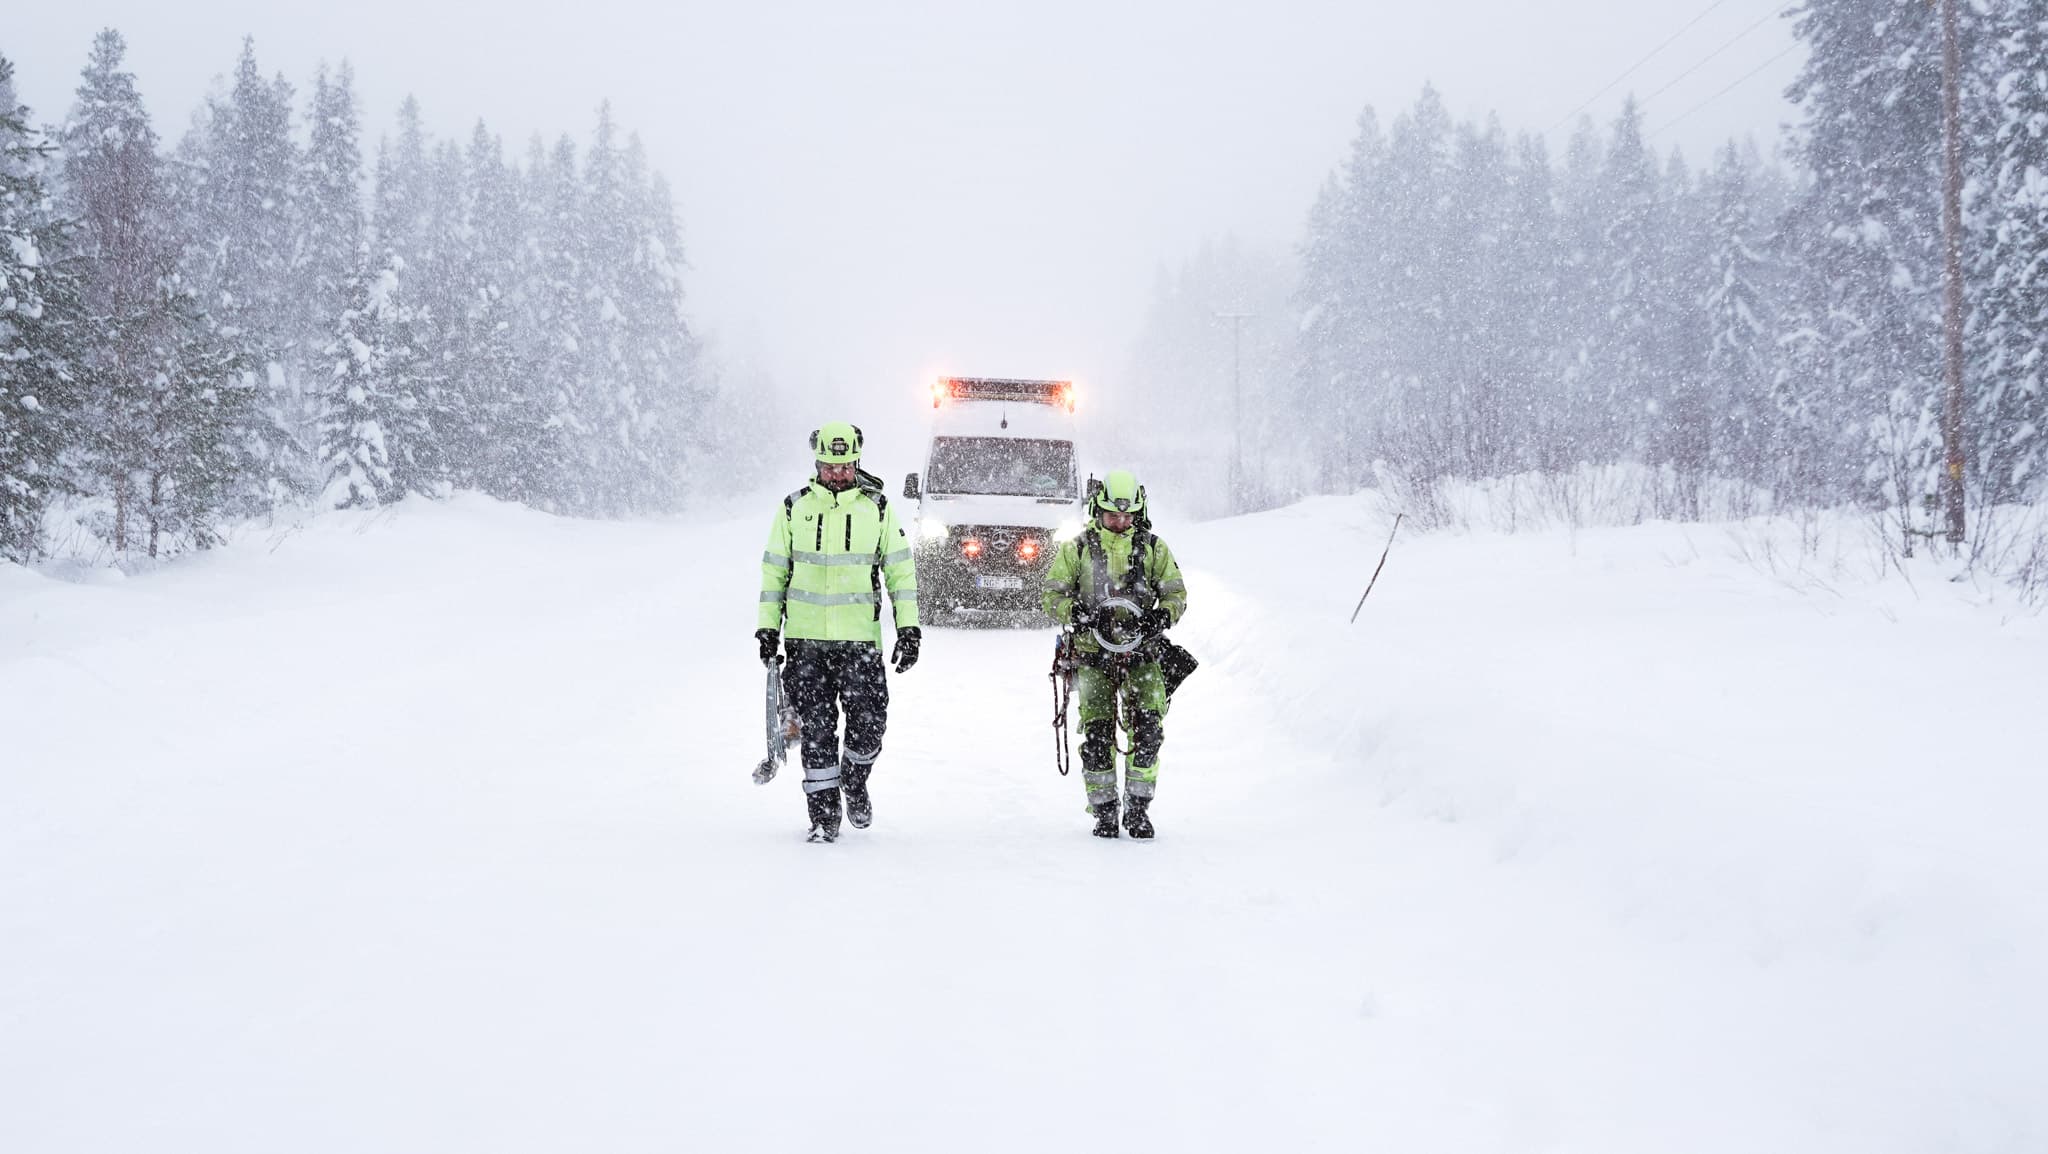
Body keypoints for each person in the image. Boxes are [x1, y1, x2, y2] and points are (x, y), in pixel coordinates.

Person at [756, 422, 921, 843]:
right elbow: (774, 572)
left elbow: (901, 573)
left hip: (860, 644)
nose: (838, 473)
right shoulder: (793, 509)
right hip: (805, 644)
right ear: (817, 463)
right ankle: (824, 817)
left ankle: (854, 778)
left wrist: (909, 628)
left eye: (845, 465)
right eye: (830, 466)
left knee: (870, 726)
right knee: (816, 731)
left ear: (857, 462)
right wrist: (767, 628)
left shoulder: (878, 509)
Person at [1040, 469, 1187, 839]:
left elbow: (1175, 593)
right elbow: (1051, 594)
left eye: (1127, 516)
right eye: (1112, 516)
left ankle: (1137, 809)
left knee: (1149, 729)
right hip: (1093, 656)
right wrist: (1075, 613)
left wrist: (1159, 617)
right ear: (1097, 510)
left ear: (1138, 512)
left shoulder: (1154, 549)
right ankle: (1104, 811)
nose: (1120, 523)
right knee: (1097, 734)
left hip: (1143, 655)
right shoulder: (1076, 549)